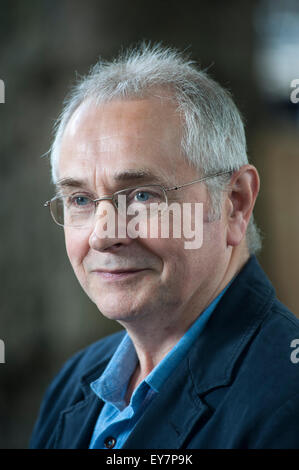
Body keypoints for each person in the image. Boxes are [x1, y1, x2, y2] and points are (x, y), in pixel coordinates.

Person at [30, 44, 299, 449]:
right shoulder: (73, 383)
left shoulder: (287, 400)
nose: (103, 235)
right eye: (81, 200)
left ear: (235, 202)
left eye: (141, 196)